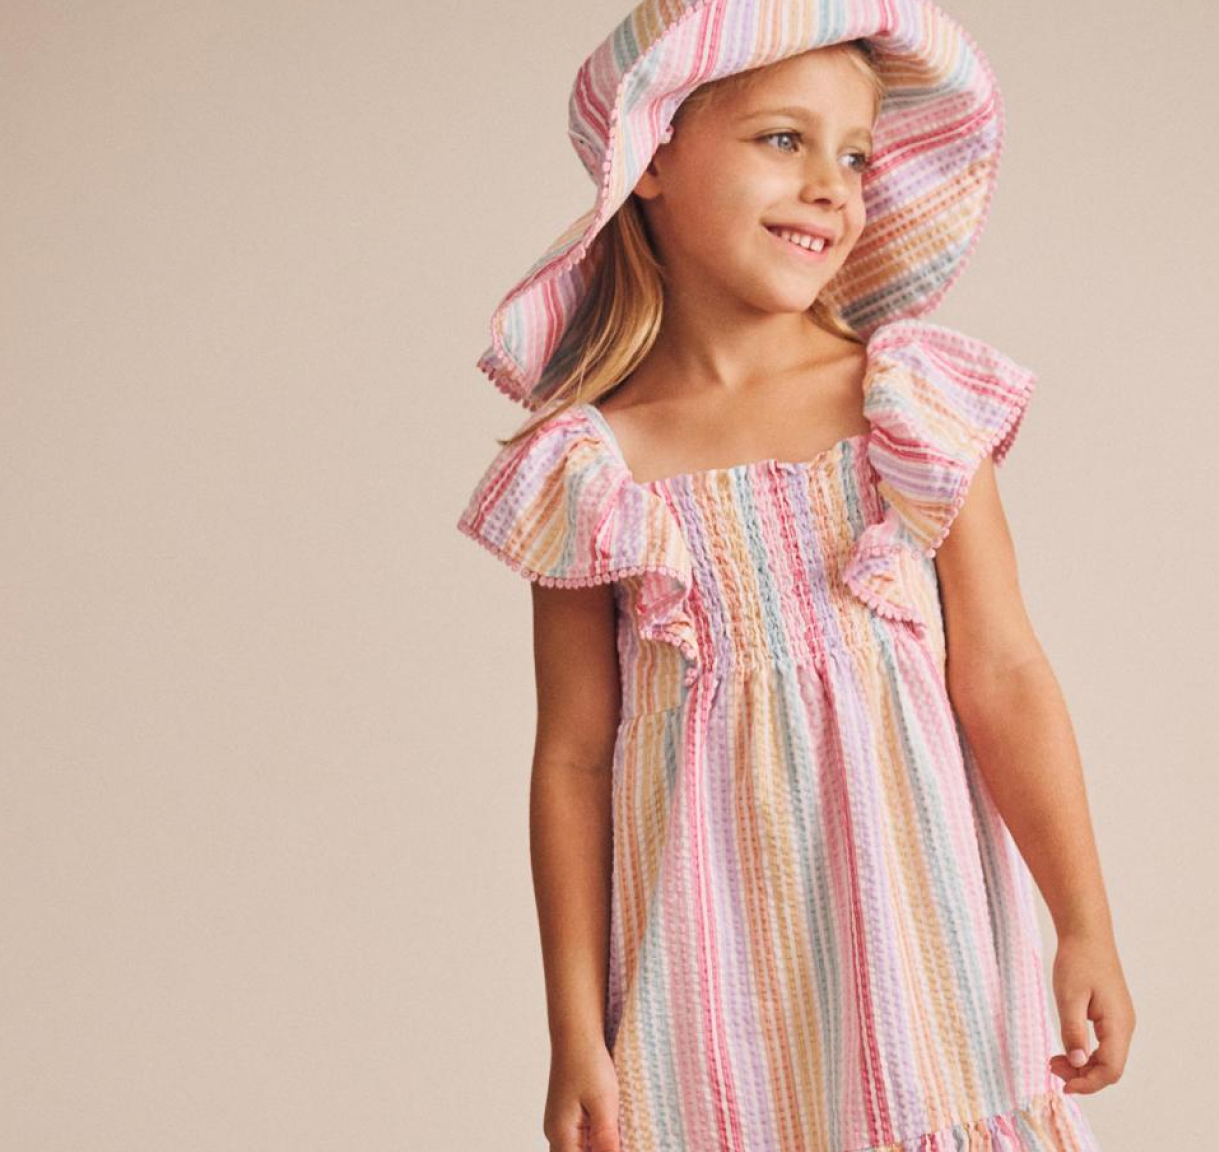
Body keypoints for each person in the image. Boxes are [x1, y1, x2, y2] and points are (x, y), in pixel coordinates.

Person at [456, 2, 1134, 1149]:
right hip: (705, 996)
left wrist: (1083, 922)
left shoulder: (904, 404)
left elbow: (1004, 668)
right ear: (654, 156)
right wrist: (575, 1030)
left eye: (855, 156)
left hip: (926, 969)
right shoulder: (591, 470)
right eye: (783, 139)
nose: (830, 186)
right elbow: (573, 756)